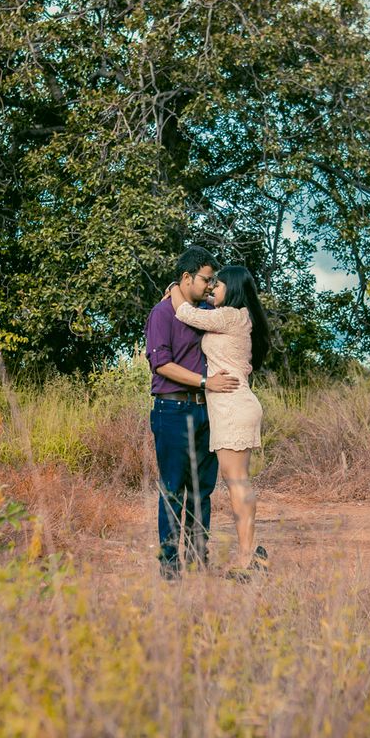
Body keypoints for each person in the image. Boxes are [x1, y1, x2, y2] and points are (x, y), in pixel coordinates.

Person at [168, 263, 270, 579]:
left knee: (237, 481)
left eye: (219, 285)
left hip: (232, 404)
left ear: (234, 288)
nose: (214, 289)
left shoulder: (230, 315)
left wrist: (174, 290)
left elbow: (187, 314)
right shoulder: (237, 317)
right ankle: (251, 553)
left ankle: (248, 558)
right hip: (231, 404)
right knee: (237, 480)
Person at [144, 247, 240, 580]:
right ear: (186, 278)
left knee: (202, 490)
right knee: (172, 488)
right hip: (172, 409)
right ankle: (170, 565)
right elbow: (162, 364)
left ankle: (199, 558)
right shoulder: (162, 314)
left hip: (206, 411)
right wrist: (205, 381)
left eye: (213, 280)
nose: (211, 286)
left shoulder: (204, 312)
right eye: (205, 279)